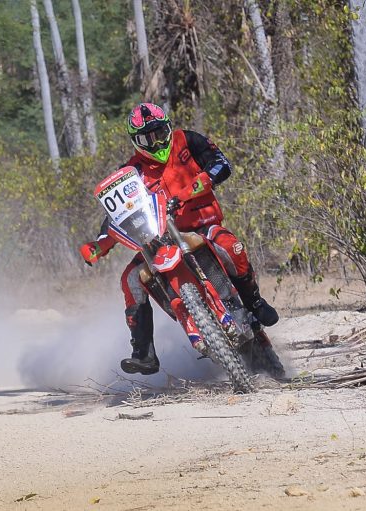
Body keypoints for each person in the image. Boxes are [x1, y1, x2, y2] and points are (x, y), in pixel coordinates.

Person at [79, 103, 278, 375]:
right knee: (130, 279)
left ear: (169, 126)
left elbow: (221, 163)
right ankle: (143, 352)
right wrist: (99, 244)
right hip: (159, 239)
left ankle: (254, 302)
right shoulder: (130, 172)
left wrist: (202, 181)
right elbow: (116, 215)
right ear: (136, 141)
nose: (157, 140)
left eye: (160, 132)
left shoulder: (188, 140)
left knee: (230, 246)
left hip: (200, 225)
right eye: (148, 138)